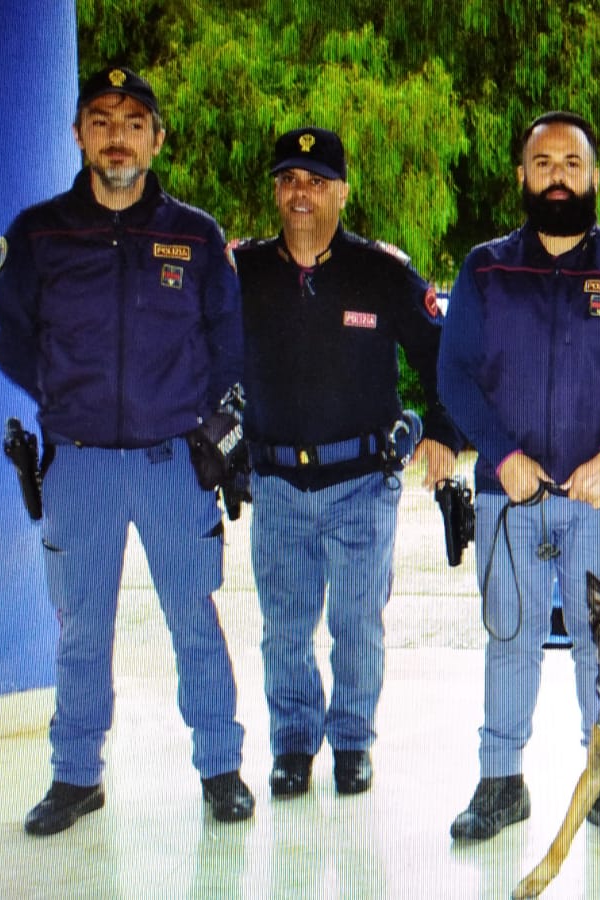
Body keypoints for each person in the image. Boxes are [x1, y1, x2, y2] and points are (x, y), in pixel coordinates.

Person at [0, 66, 253, 835]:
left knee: (195, 623)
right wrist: (61, 395)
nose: (117, 136)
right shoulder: (39, 234)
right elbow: (11, 338)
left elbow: (227, 344)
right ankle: (75, 776)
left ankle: (220, 767)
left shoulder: (196, 236)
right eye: (101, 120)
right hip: (77, 466)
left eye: (133, 121)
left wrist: (206, 421)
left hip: (173, 466)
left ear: (156, 138)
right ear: (79, 135)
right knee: (79, 628)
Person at [437, 110, 600, 844]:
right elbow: (453, 373)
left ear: (595, 176)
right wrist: (500, 454)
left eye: (571, 164)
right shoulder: (485, 268)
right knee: (508, 635)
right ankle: (500, 782)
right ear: (521, 175)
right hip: (509, 498)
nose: (556, 177)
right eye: (542, 163)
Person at [234, 127, 460, 798]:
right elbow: (199, 354)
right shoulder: (242, 272)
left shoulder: (382, 271)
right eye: (289, 180)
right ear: (277, 191)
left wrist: (444, 433)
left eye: (316, 180)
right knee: (284, 629)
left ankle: (353, 740)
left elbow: (439, 355)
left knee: (356, 624)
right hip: (275, 482)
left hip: (361, 483)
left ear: (341, 192)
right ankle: (294, 744)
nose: (301, 192)